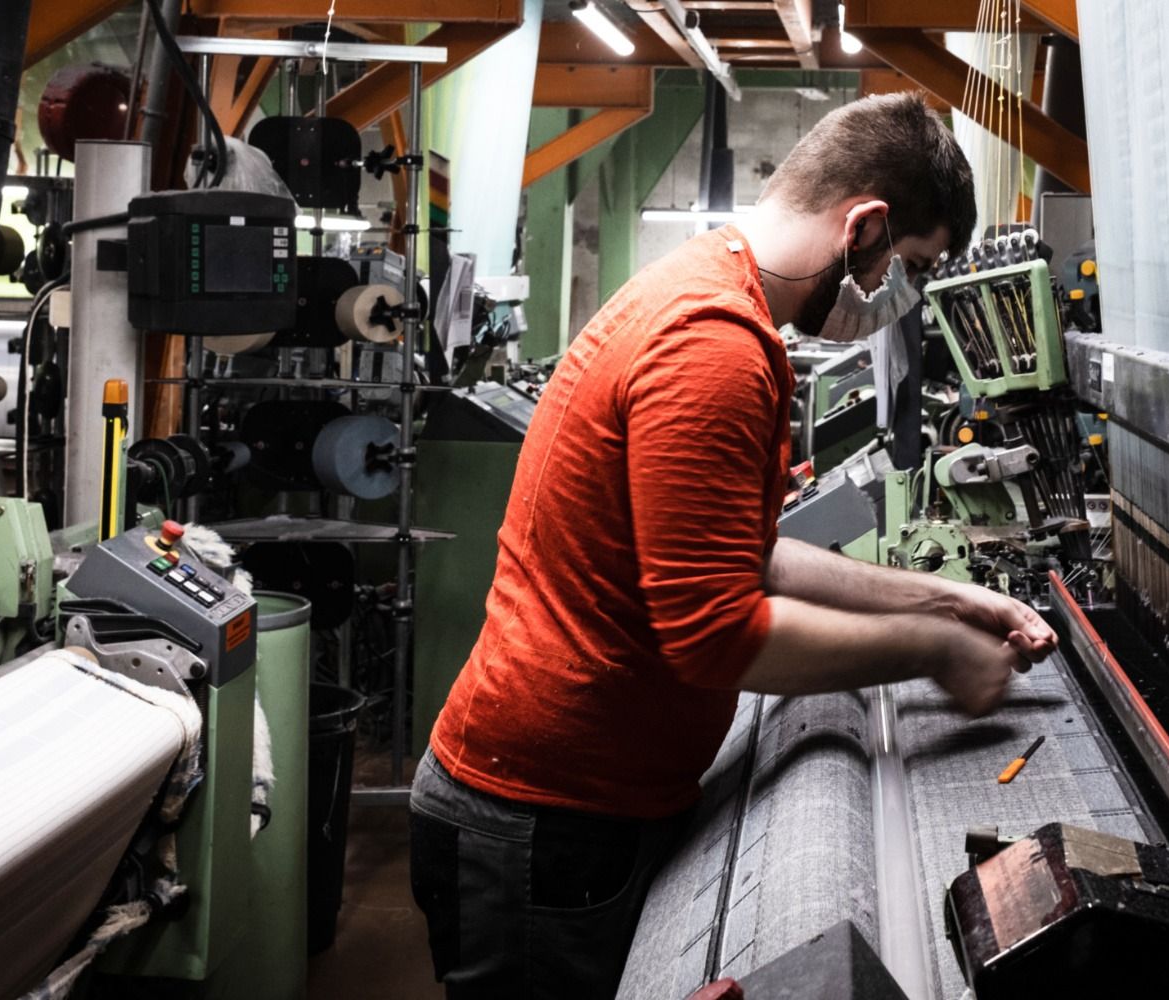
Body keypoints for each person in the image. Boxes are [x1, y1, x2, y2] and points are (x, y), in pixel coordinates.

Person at [408, 92, 1057, 998]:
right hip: (541, 822)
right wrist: (937, 650)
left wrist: (950, 598)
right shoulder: (714, 348)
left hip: (575, 804)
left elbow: (752, 556)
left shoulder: (708, 291)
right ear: (864, 227)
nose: (896, 299)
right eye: (906, 268)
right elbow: (714, 635)